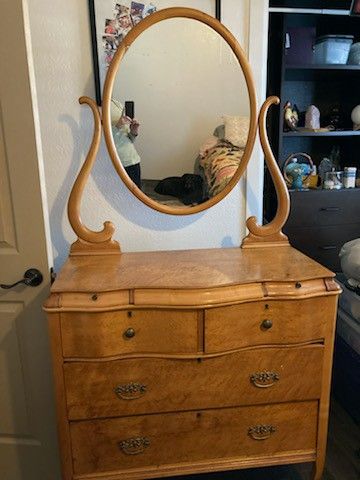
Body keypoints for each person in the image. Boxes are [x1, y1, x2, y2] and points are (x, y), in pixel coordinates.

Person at [111, 99, 142, 189]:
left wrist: (133, 131)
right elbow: (100, 138)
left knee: (135, 198)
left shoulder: (116, 103)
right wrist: (117, 126)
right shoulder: (98, 106)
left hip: (133, 159)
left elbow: (129, 139)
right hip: (118, 163)